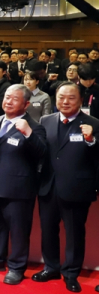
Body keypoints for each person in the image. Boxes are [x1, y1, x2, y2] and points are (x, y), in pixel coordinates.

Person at [0, 84, 47, 285]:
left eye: (14, 99)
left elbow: (42, 153)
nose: (8, 101)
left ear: (26, 104)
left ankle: (16, 267)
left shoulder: (35, 126)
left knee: (18, 230)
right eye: (7, 97)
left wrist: (28, 134)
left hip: (19, 189)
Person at [33, 82, 99, 293]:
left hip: (77, 188)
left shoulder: (94, 123)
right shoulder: (45, 120)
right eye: (61, 97)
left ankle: (71, 273)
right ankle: (51, 267)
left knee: (74, 234)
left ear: (80, 100)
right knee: (48, 231)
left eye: (71, 98)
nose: (65, 101)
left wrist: (91, 140)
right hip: (48, 187)